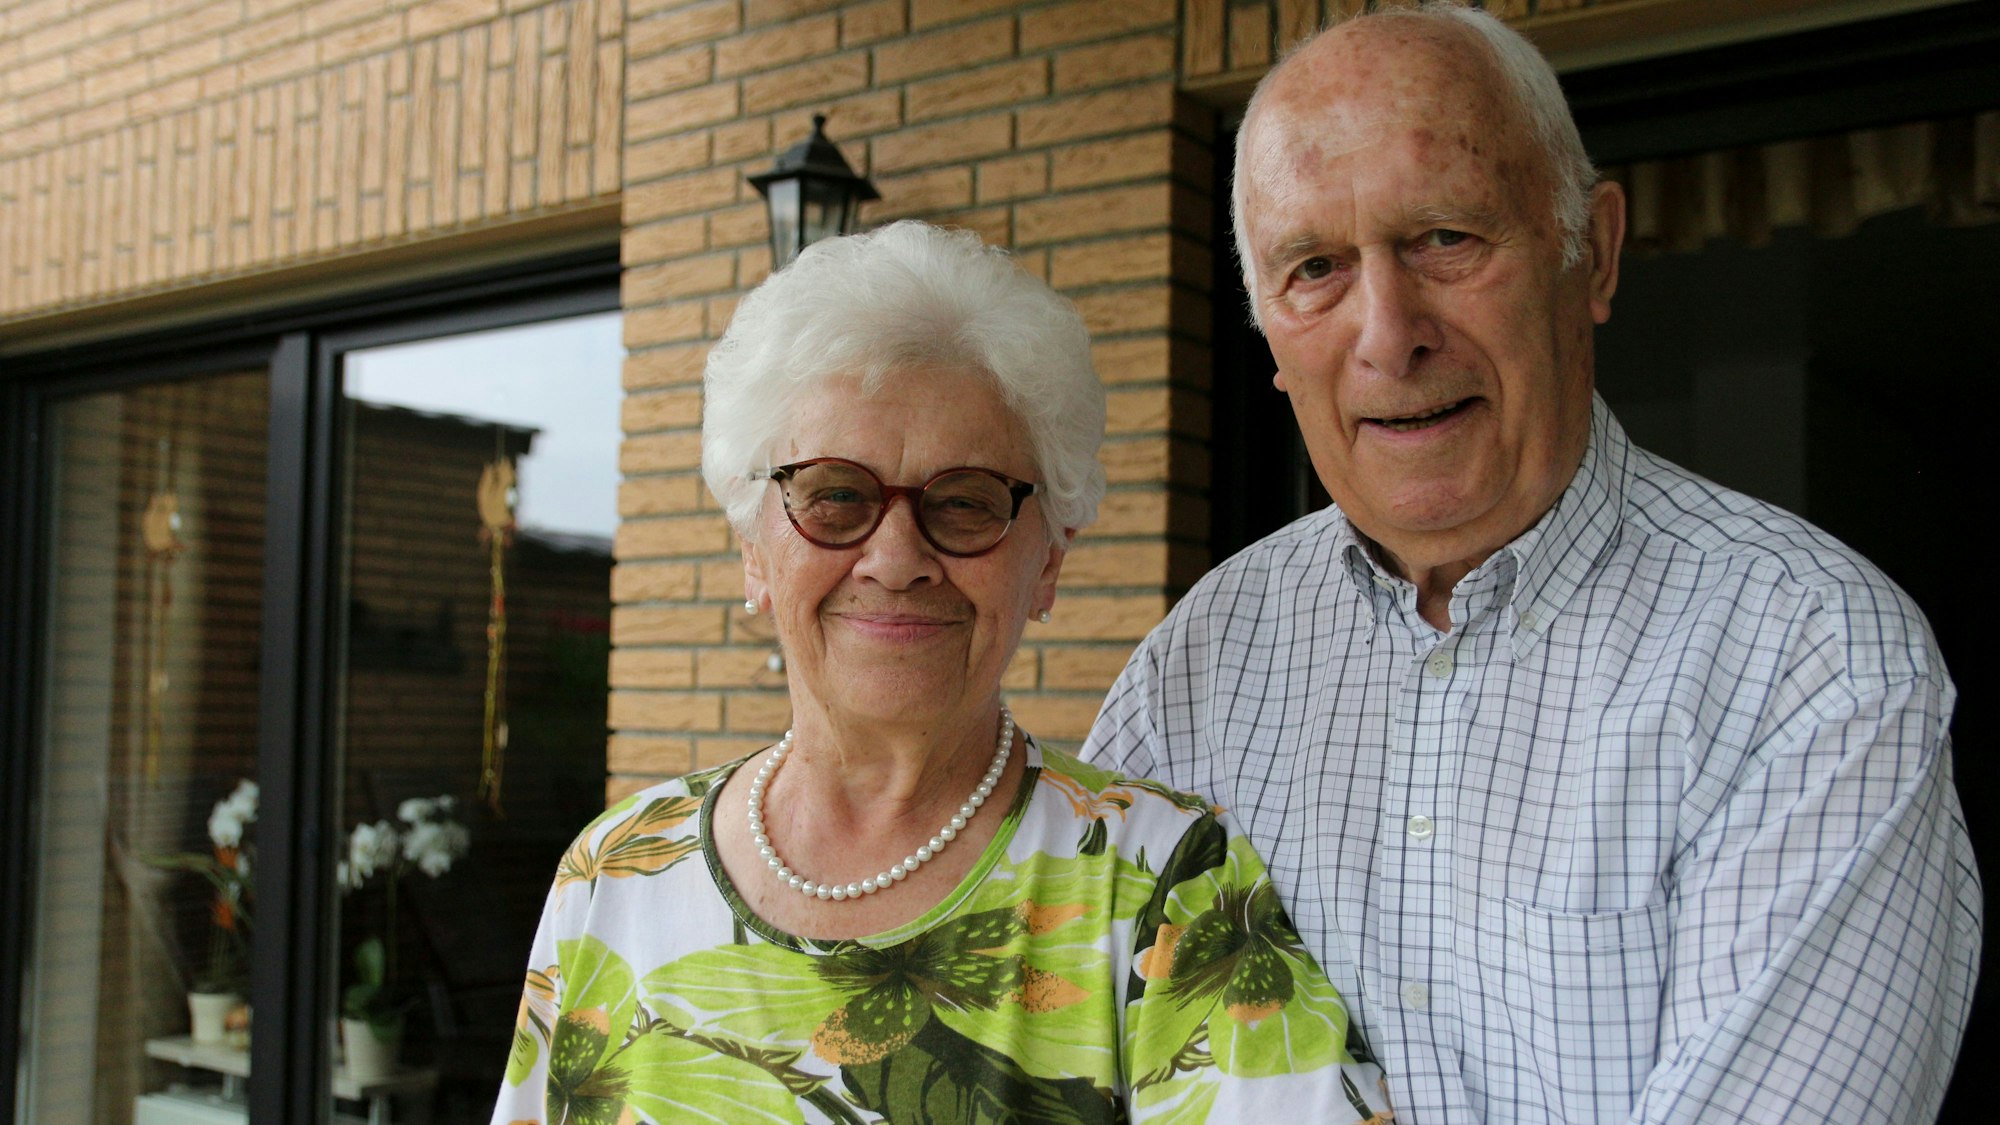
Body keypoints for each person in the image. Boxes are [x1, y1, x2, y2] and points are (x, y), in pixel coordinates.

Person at [1082, 4, 1979, 1122]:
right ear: (1267, 327)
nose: (1387, 333)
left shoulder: (1812, 658)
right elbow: (1077, 1060)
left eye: (1445, 239)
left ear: (1590, 253)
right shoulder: (1195, 671)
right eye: (1314, 267)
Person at [491, 221, 1392, 1124]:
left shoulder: (1166, 886)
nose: (895, 557)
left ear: (1046, 563)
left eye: (963, 503)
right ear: (755, 552)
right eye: (836, 494)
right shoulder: (613, 875)